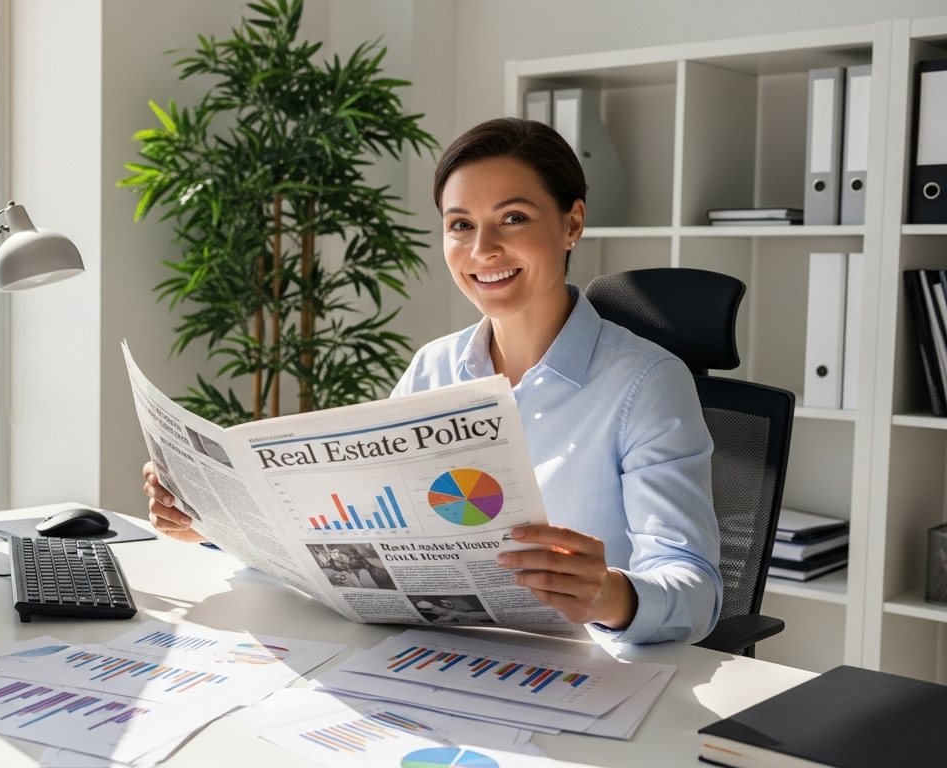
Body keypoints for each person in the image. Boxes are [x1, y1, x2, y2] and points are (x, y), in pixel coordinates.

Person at [143, 117, 721, 645]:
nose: (482, 249)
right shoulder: (434, 367)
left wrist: (611, 595)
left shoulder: (647, 382)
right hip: (436, 656)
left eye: (513, 218)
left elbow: (696, 590)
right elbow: (356, 529)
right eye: (460, 225)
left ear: (571, 223)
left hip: (577, 671)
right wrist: (216, 523)